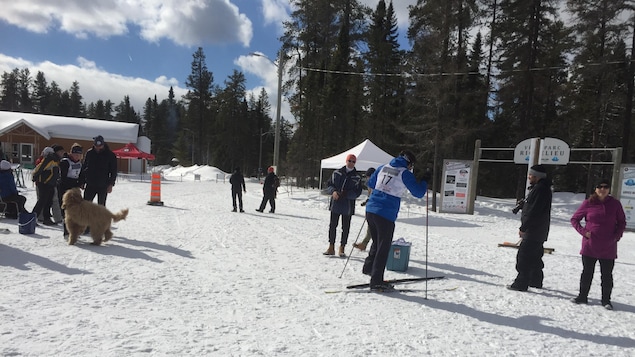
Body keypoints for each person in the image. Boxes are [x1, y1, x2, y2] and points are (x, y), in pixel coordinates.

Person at [362, 151, 427, 291]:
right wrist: (424, 180)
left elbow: (371, 182)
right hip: (385, 213)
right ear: (409, 163)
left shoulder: (383, 167)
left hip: (371, 209)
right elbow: (419, 193)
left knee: (376, 241)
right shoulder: (405, 173)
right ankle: (377, 281)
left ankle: (369, 268)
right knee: (383, 247)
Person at [570, 179, 626, 310]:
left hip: (608, 246)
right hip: (590, 245)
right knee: (587, 272)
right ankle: (582, 296)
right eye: (600, 187)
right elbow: (574, 219)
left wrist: (616, 237)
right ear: (595, 189)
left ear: (609, 189)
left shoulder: (615, 204)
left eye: (605, 187)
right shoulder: (588, 203)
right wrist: (584, 232)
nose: (602, 189)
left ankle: (606, 300)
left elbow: (622, 222)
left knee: (607, 274)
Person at [507, 164, 552, 292]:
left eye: (531, 175)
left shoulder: (540, 189)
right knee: (535, 255)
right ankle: (535, 280)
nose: (529, 177)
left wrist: (524, 227)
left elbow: (534, 211)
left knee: (524, 256)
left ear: (537, 176)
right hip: (539, 230)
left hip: (533, 230)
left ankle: (521, 282)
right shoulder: (540, 188)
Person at [323, 154, 362, 257]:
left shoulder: (357, 177)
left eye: (353, 161)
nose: (351, 163)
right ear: (346, 161)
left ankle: (342, 248)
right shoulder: (336, 173)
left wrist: (348, 194)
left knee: (346, 227)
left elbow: (358, 192)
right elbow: (329, 184)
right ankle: (331, 246)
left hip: (348, 205)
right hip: (336, 203)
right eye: (350, 161)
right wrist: (334, 192)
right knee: (332, 225)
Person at [31, 144, 65, 225]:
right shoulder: (50, 159)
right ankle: (32, 218)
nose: (62, 154)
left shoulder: (56, 160)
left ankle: (46, 219)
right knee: (42, 201)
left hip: (51, 184)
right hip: (44, 183)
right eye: (60, 152)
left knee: (48, 201)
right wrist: (35, 176)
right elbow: (40, 167)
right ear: (56, 152)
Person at [80, 135, 117, 206]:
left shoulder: (110, 155)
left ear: (103, 144)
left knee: (101, 206)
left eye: (99, 146)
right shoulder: (90, 153)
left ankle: (101, 217)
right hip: (90, 183)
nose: (97, 148)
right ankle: (86, 217)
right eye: (96, 146)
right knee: (85, 204)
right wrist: (82, 181)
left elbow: (113, 171)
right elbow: (84, 167)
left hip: (103, 184)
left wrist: (111, 184)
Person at [58, 143, 83, 238]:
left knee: (76, 211)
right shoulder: (65, 162)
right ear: (71, 153)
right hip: (65, 189)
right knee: (66, 211)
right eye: (75, 154)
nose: (77, 157)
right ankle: (66, 232)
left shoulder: (80, 163)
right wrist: (75, 184)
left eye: (79, 155)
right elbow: (63, 178)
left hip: (75, 189)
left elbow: (81, 175)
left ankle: (75, 231)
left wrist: (81, 183)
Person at [353, 167, 376, 251]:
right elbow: (370, 196)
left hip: (375, 209)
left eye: (368, 176)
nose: (367, 178)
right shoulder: (370, 184)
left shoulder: (376, 184)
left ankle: (366, 244)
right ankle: (364, 244)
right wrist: (366, 202)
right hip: (371, 208)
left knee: (372, 228)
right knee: (370, 228)